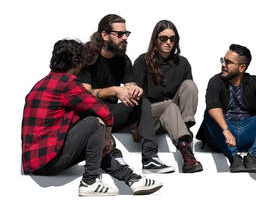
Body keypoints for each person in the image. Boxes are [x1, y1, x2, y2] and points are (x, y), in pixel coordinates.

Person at [21, 39, 163, 196]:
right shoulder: (67, 83)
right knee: (95, 123)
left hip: (36, 161)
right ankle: (90, 181)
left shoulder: (41, 84)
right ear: (76, 62)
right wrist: (107, 139)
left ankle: (132, 180)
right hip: (49, 161)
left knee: (92, 130)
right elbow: (104, 112)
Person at [78, 14, 175, 174]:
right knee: (94, 109)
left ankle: (150, 159)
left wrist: (136, 91)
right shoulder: (88, 57)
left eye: (126, 34)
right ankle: (113, 155)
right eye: (120, 34)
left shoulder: (122, 59)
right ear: (104, 35)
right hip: (91, 116)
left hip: (112, 114)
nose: (125, 38)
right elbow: (83, 95)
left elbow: (130, 86)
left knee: (142, 101)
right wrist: (114, 90)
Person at [196, 44, 256, 173]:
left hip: (248, 131)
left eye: (228, 62)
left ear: (242, 67)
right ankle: (233, 157)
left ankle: (252, 156)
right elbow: (213, 105)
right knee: (210, 113)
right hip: (224, 134)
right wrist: (225, 130)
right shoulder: (216, 81)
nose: (223, 65)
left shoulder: (254, 81)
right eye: (223, 60)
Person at [133, 20, 203, 173]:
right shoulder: (142, 61)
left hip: (174, 116)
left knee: (190, 85)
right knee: (168, 106)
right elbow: (135, 97)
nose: (168, 42)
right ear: (155, 39)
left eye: (172, 38)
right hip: (149, 118)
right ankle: (186, 152)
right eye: (163, 38)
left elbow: (187, 95)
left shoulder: (182, 63)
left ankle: (183, 134)